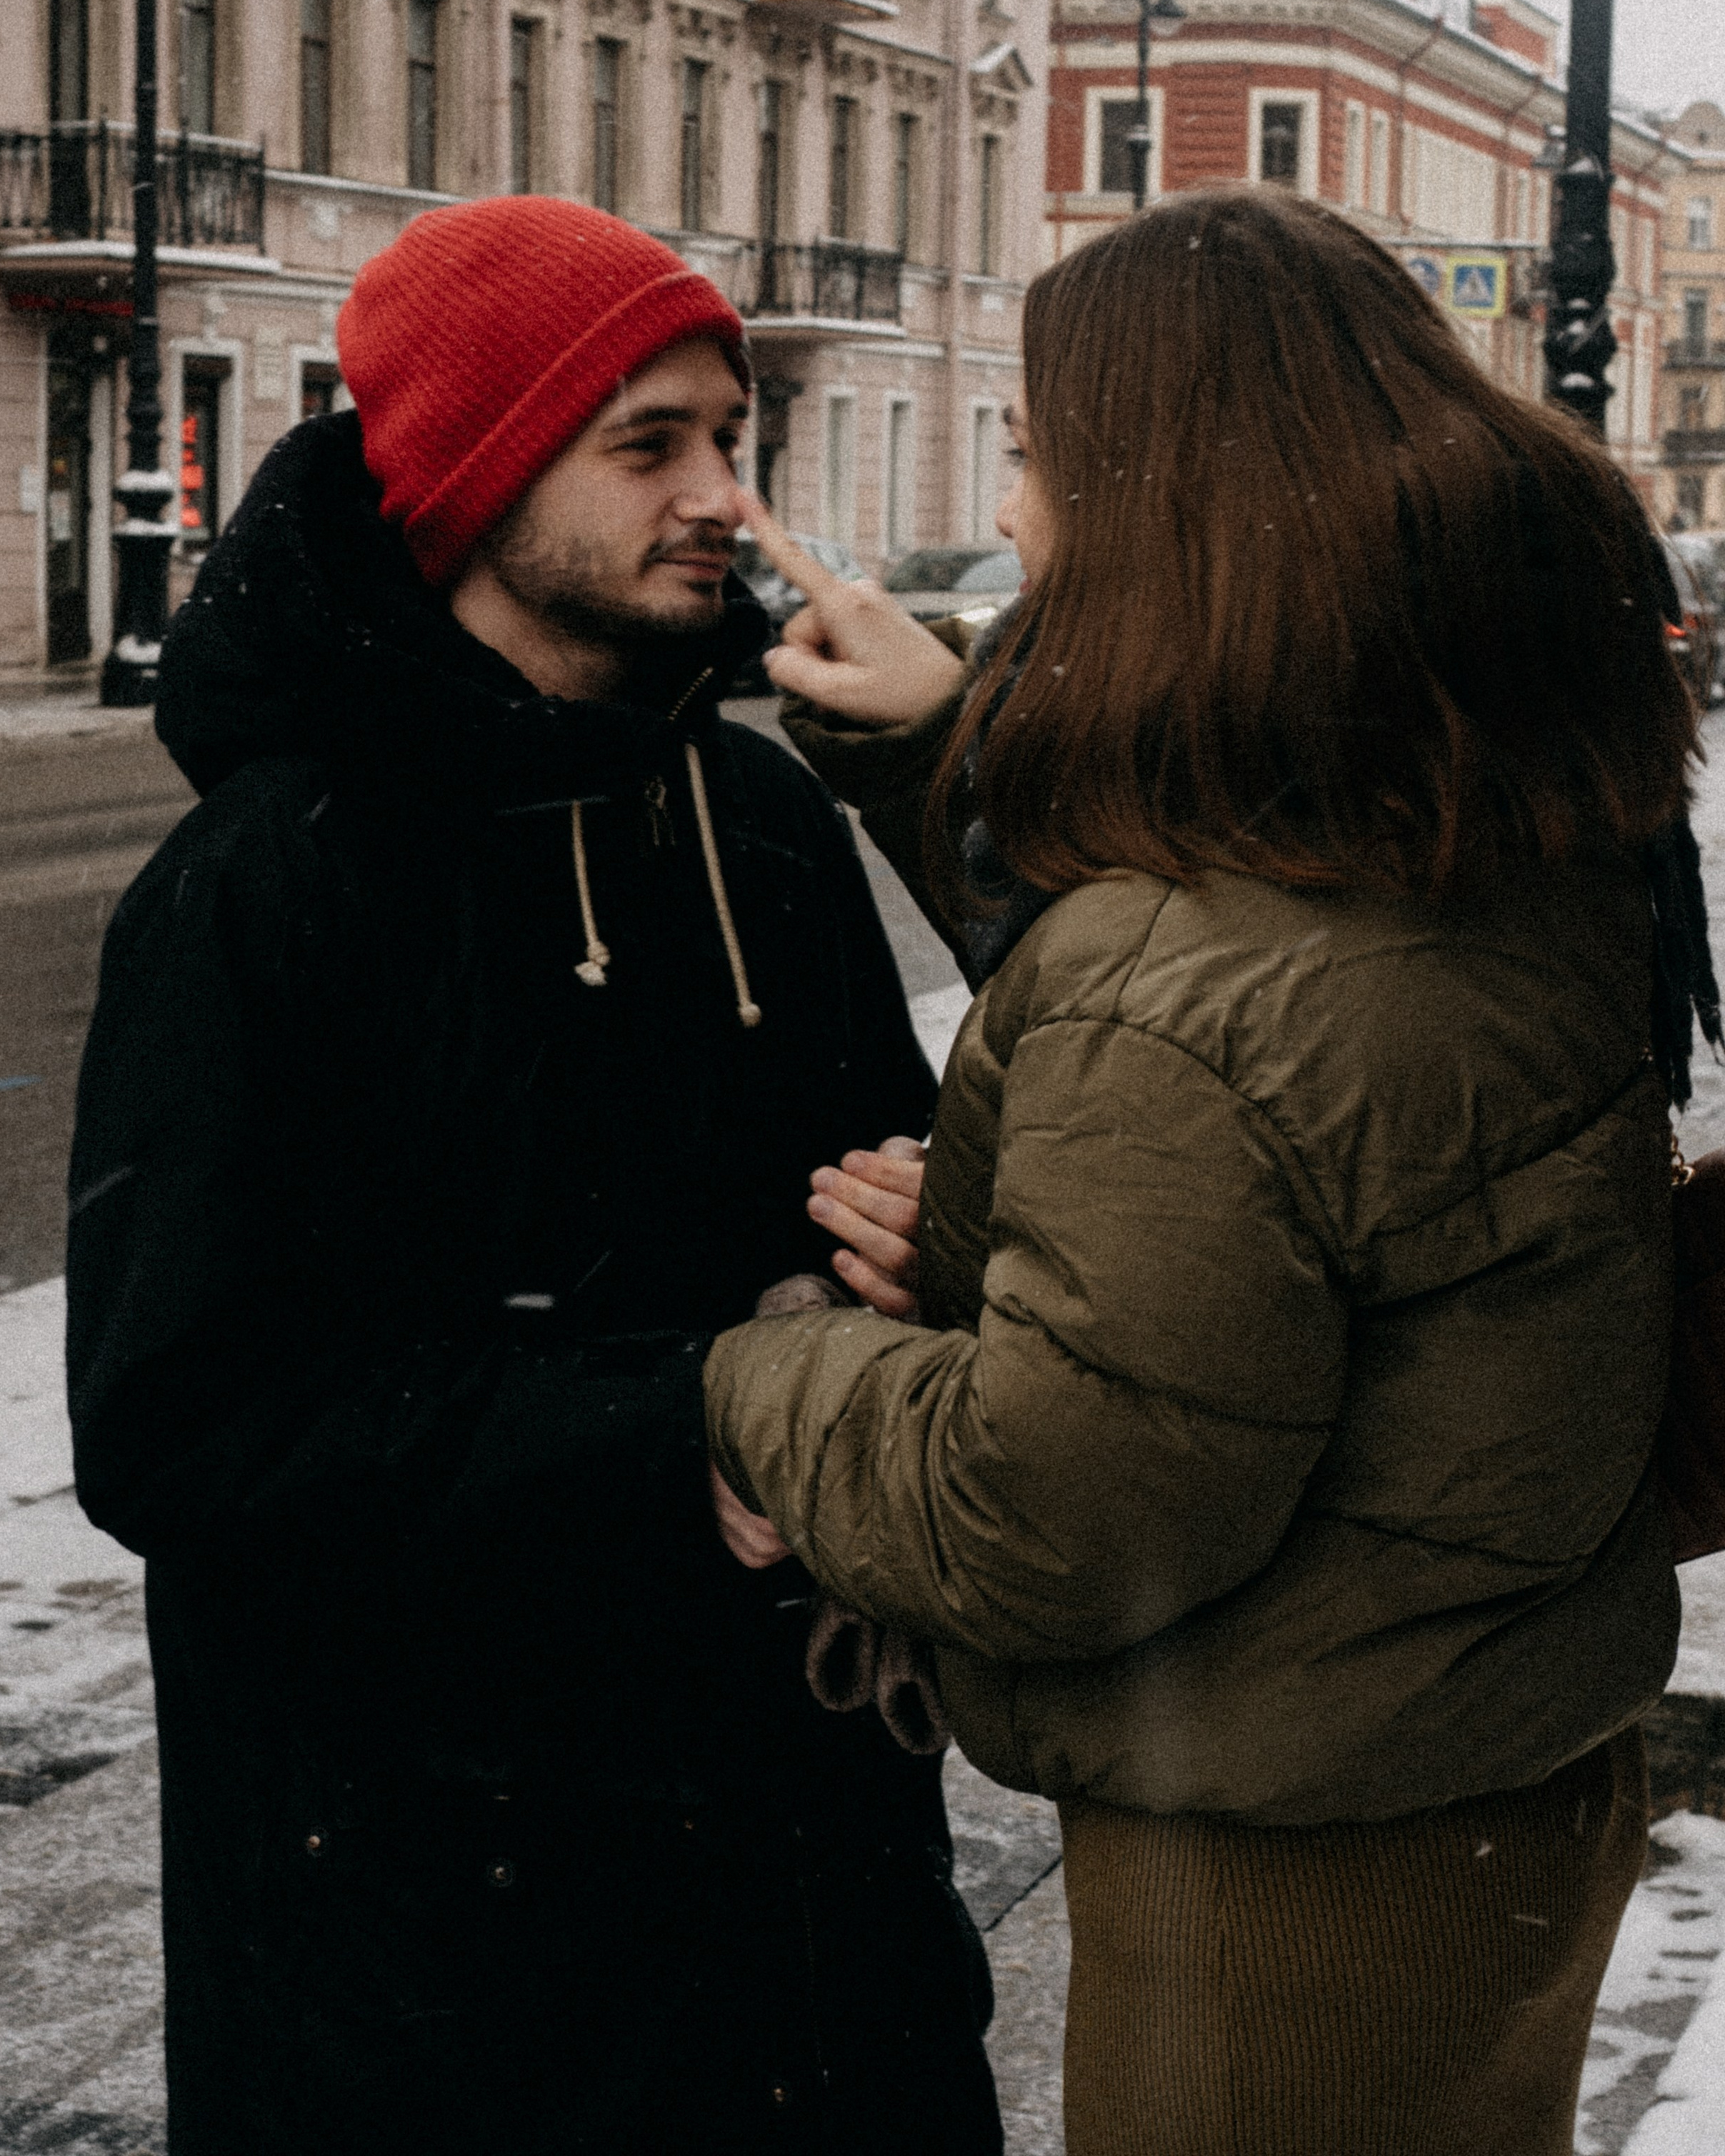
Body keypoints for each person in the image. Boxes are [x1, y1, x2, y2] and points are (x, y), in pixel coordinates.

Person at [706, 184, 1711, 2156]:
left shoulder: (1180, 989)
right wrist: (944, 757)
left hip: (1291, 1860)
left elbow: (1059, 1502)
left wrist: (754, 1379)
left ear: (1160, 500)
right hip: (1500, 1767)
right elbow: (1268, 993)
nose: (1007, 515)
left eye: (1031, 456)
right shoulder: (1494, 816)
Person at [64, 197, 1000, 2156]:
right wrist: (697, 1438)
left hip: (799, 1894)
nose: (724, 499)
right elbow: (183, 1426)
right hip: (437, 1947)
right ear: (479, 475)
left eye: (731, 440)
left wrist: (925, 1233)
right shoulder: (270, 877)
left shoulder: (754, 809)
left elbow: (873, 1180)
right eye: (647, 444)